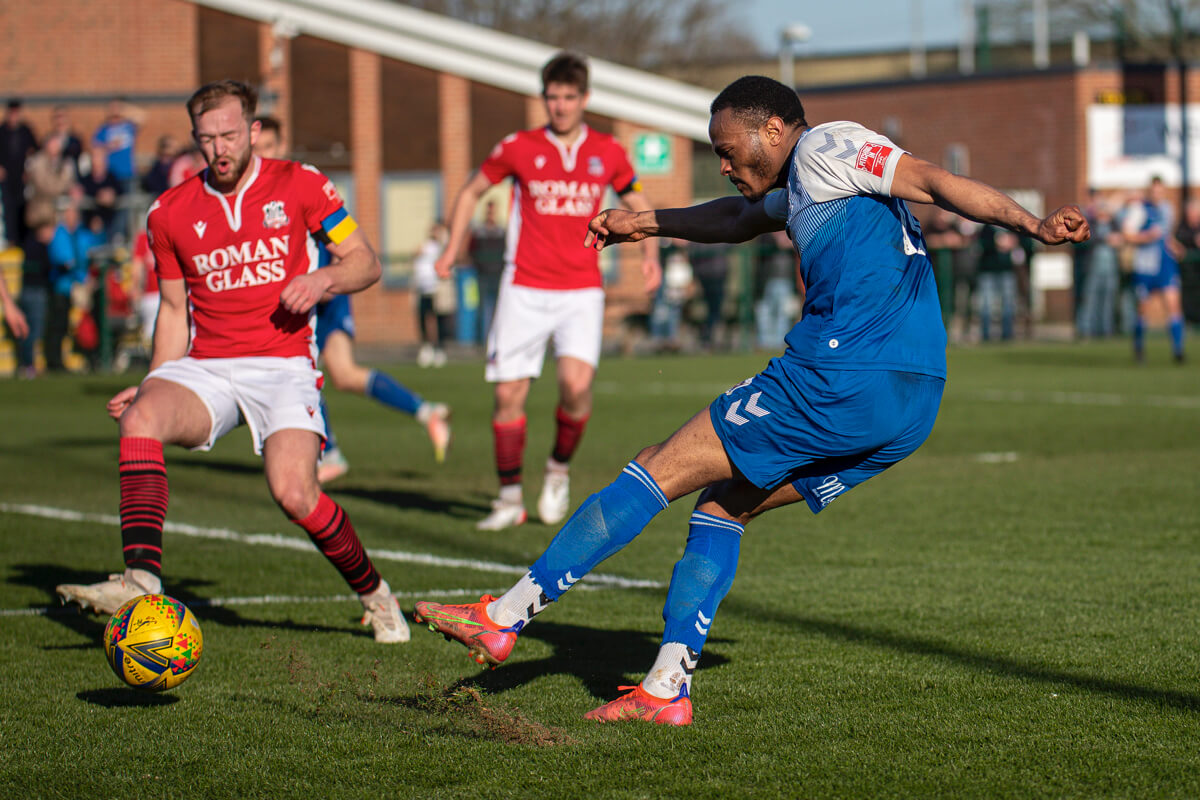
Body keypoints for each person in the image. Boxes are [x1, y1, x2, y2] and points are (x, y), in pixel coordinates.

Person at [413, 75, 1090, 725]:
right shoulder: (802, 185)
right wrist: (647, 223)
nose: (725, 164)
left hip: (840, 376)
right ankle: (664, 691)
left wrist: (1030, 223)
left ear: (772, 128)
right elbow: (737, 218)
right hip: (911, 403)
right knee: (725, 504)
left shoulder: (828, 146)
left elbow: (934, 181)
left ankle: (504, 617)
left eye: (727, 149)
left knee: (659, 466)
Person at [55, 80, 410, 644]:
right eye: (206, 138)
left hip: (283, 364)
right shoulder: (169, 211)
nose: (219, 148)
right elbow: (173, 311)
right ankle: (141, 579)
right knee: (139, 419)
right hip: (207, 366)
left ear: (253, 131)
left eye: (228, 135)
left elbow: (364, 263)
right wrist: (152, 383)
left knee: (295, 494)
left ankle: (375, 594)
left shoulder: (301, 184)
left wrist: (321, 279)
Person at [435, 51, 661, 530]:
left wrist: (649, 255)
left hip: (581, 290)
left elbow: (637, 201)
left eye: (569, 97)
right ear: (543, 98)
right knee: (508, 397)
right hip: (524, 288)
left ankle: (557, 470)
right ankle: (509, 498)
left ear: (584, 98)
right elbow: (472, 190)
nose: (559, 106)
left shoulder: (608, 150)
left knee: (577, 391)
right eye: (552, 97)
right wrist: (453, 246)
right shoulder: (518, 146)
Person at [252, 116, 451, 478]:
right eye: (256, 149)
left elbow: (348, 243)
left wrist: (327, 282)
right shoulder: (252, 193)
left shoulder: (305, 184)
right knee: (340, 375)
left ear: (281, 146)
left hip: (323, 293)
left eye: (268, 147)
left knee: (302, 370)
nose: (263, 155)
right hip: (298, 298)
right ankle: (425, 412)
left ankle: (329, 454)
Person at [1123, 176, 1186, 363]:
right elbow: (1128, 235)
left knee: (1174, 305)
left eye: (1160, 191)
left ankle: (1178, 351)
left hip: (1165, 264)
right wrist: (1147, 236)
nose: (1158, 195)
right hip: (1146, 266)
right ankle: (1139, 348)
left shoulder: (1168, 209)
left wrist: (1176, 246)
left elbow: (1166, 236)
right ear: (1149, 192)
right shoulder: (1140, 209)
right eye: (1154, 191)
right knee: (1143, 310)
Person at [413, 221, 452, 367]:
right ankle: (426, 347)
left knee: (440, 318)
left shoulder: (442, 247)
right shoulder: (425, 246)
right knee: (424, 317)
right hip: (424, 287)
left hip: (438, 288)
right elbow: (415, 254)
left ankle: (439, 349)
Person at [0, 100, 38, 247]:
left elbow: (34, 150)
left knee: (24, 209)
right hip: (6, 179)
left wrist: (29, 169)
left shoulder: (25, 131)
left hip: (23, 179)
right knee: (8, 211)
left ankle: (23, 241)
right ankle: (11, 241)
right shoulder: (2, 131)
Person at [468, 200, 506, 343]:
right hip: (483, 274)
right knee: (482, 308)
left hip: (498, 274)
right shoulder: (479, 231)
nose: (491, 215)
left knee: (499, 309)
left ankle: (497, 338)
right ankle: (481, 341)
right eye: (489, 211)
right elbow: (471, 251)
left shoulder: (501, 231)